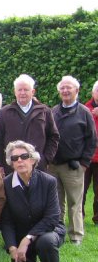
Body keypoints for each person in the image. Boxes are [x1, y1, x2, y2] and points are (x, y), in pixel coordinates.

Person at [0, 141, 65, 262]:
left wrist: (27, 239)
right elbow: (6, 221)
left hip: (49, 230)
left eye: (24, 156)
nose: (20, 161)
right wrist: (12, 246)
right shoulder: (6, 184)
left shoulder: (48, 181)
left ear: (33, 160)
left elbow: (52, 218)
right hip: (21, 234)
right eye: (15, 158)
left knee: (45, 242)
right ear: (11, 163)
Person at [49, 75, 96, 245]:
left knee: (75, 203)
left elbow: (92, 140)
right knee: (55, 202)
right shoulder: (53, 111)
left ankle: (76, 235)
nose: (65, 91)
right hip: (53, 166)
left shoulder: (84, 112)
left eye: (69, 87)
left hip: (73, 166)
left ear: (77, 90)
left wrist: (84, 163)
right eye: (62, 88)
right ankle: (57, 232)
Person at [0, 74, 60, 175]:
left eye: (26, 90)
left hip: (37, 166)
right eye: (19, 90)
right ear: (15, 92)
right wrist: (0, 165)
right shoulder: (5, 112)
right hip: (12, 167)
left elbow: (53, 137)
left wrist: (46, 159)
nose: (22, 93)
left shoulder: (44, 111)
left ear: (32, 92)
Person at [83, 80, 98, 225]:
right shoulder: (85, 109)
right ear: (93, 93)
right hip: (86, 157)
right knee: (81, 189)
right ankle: (78, 216)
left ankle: (97, 217)